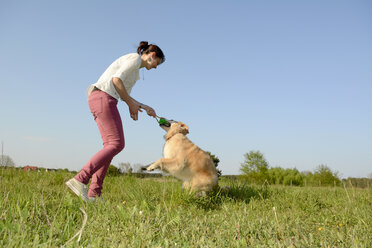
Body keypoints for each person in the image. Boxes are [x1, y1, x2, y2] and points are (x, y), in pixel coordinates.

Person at [66, 41, 165, 202]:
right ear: (151, 56)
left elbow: (123, 92)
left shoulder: (135, 72)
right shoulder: (134, 59)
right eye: (157, 63)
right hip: (103, 97)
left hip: (105, 98)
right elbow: (116, 81)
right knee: (116, 144)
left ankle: (95, 194)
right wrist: (130, 104)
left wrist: (143, 106)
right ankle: (80, 179)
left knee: (111, 147)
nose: (155, 67)